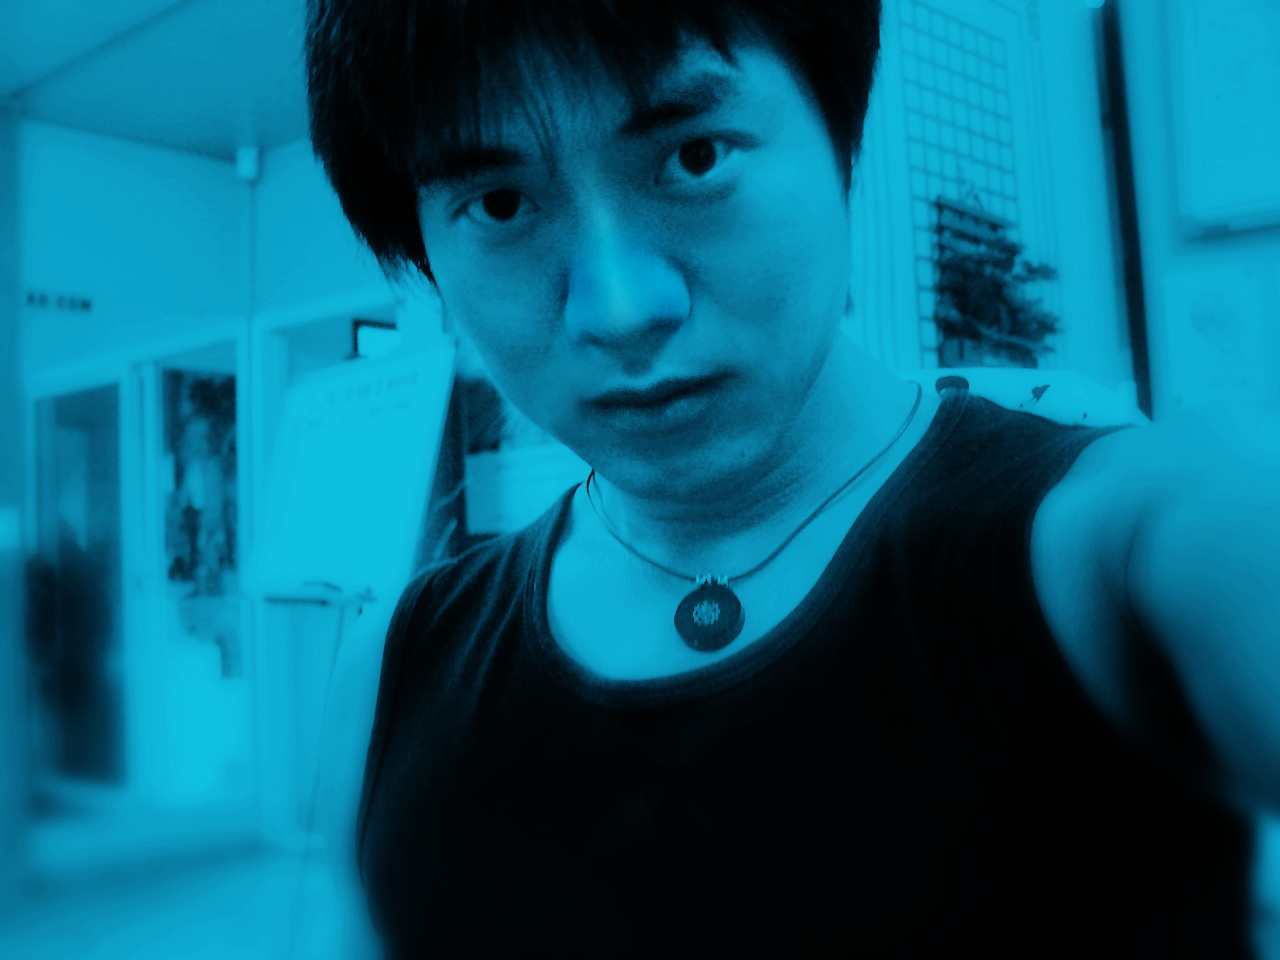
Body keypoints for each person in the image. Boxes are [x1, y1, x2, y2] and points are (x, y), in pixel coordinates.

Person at [304, 1, 1280, 956]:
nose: (620, 308)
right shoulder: (394, 672)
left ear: (835, 133)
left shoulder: (1122, 549)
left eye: (695, 157)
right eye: (500, 204)